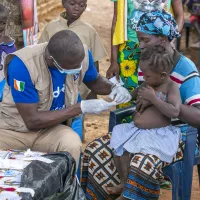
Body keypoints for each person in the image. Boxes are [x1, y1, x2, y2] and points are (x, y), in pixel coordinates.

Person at [81, 10, 200, 200]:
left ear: (162, 39)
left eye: (145, 40)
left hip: (180, 136)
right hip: (143, 131)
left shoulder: (186, 69)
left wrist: (159, 100)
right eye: (139, 40)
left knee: (141, 162)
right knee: (95, 150)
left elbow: (198, 117)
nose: (140, 45)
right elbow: (141, 95)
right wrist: (125, 95)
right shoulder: (148, 62)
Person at [0, 30, 131, 169]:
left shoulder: (81, 55)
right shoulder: (22, 65)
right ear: (50, 59)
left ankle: (66, 189)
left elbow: (94, 81)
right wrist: (80, 107)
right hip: (13, 130)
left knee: (71, 144)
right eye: (71, 67)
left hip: (51, 129)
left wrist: (114, 88)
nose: (77, 69)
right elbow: (32, 120)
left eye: (79, 65)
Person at [109, 45, 182, 199]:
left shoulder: (171, 86)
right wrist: (121, 93)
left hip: (157, 134)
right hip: (136, 130)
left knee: (135, 158)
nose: (144, 78)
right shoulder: (148, 84)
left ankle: (129, 193)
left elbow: (175, 111)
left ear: (162, 75)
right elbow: (131, 96)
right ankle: (124, 183)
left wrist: (153, 99)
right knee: (120, 148)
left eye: (147, 76)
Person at [106, 0, 184, 118]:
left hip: (159, 48)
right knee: (127, 97)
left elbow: (180, 15)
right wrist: (114, 60)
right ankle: (127, 131)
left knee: (156, 91)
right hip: (129, 50)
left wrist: (169, 40)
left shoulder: (165, 53)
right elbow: (116, 20)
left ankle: (148, 127)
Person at [39, 0, 107, 100]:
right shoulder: (50, 28)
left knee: (78, 111)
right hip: (54, 85)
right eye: (72, 4)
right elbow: (41, 55)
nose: (76, 8)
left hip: (80, 87)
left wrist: (93, 89)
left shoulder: (89, 31)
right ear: (63, 3)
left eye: (81, 5)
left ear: (85, 7)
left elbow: (93, 61)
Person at [0, 4, 16, 100]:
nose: (0, 26)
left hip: (3, 84)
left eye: (3, 23)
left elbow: (12, 67)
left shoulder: (9, 44)